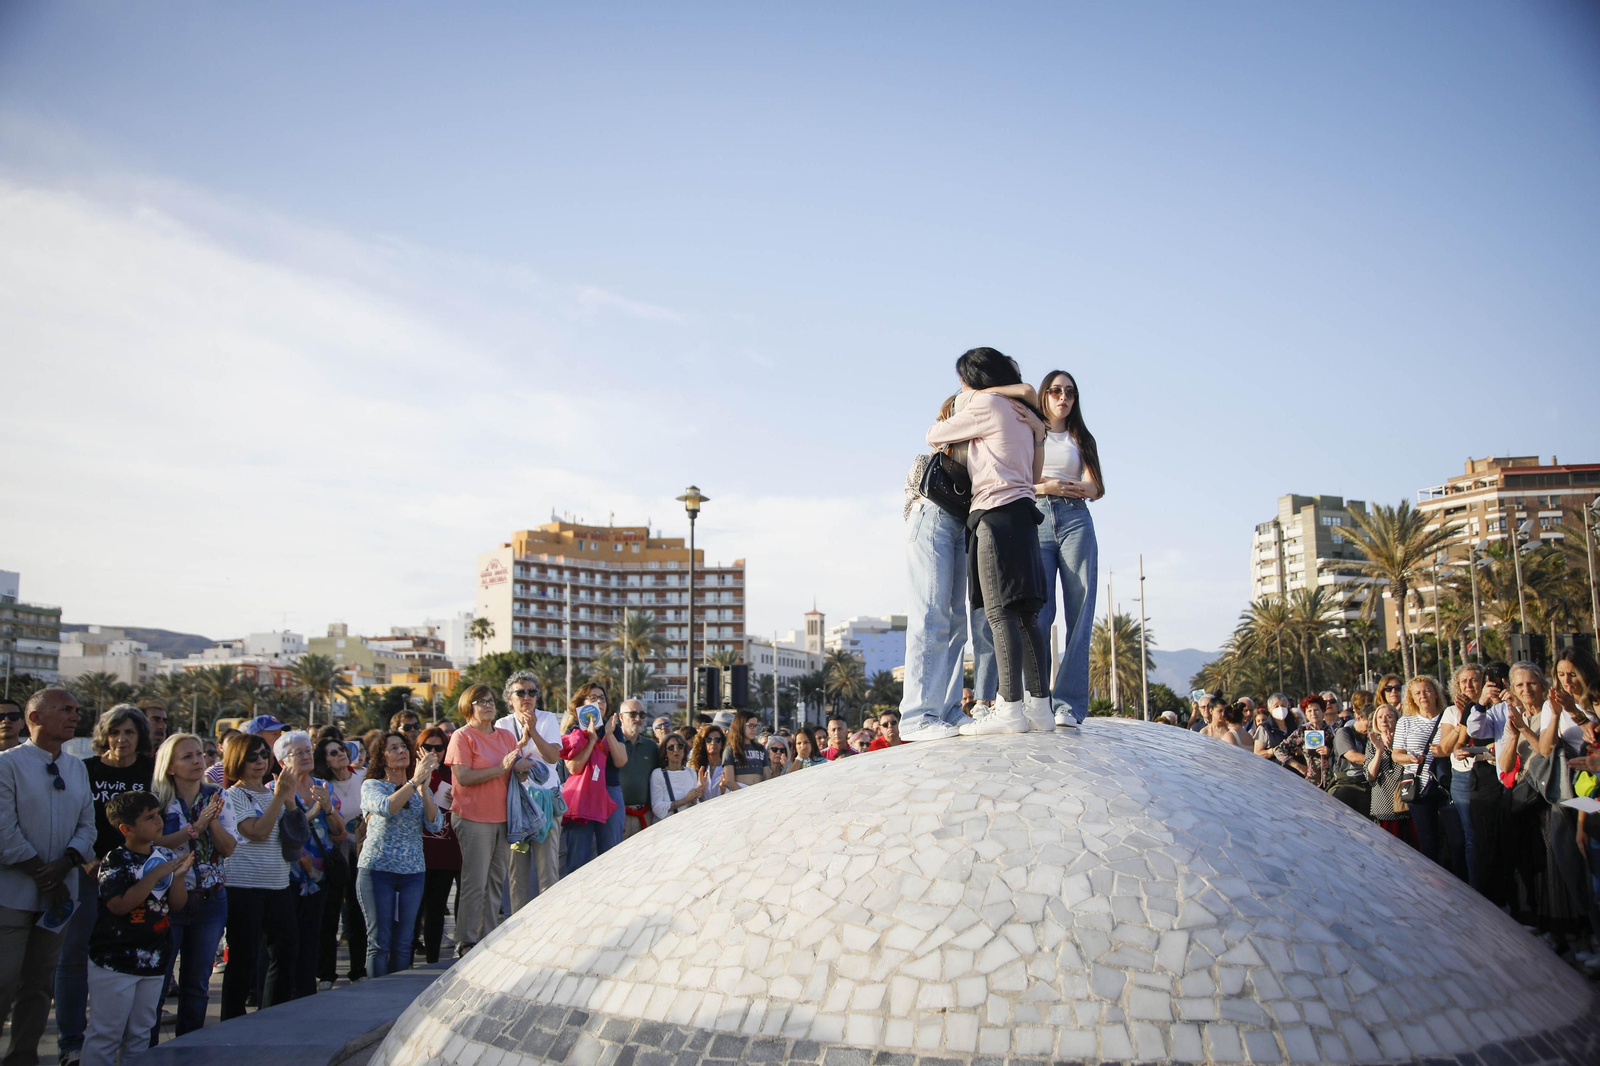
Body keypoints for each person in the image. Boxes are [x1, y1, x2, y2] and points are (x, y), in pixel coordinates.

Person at [925, 347, 1053, 735]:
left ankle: (1009, 709)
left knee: (999, 614)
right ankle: (1040, 709)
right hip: (1024, 514)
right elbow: (1033, 475)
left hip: (993, 515)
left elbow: (934, 435)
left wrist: (970, 399)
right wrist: (1038, 429)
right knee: (1027, 615)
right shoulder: (1024, 416)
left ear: (975, 380)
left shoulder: (986, 403)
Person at [0, 688, 94, 1066]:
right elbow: (5, 833)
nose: (74, 716)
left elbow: (88, 827)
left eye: (76, 709)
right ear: (35, 719)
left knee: (39, 987)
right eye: (65, 710)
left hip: (58, 896)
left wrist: (66, 864)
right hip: (12, 895)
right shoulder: (7, 765)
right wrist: (44, 874)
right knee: (3, 983)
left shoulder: (77, 768)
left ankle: (22, 1057)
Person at [56, 705, 154, 1065]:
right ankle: (71, 1042)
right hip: (87, 873)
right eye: (115, 732)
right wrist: (84, 859)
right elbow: (73, 818)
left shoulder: (150, 771)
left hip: (136, 877)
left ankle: (129, 1044)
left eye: (129, 732)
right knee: (74, 958)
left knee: (131, 958)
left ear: (140, 736)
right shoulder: (85, 770)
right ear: (104, 735)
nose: (122, 739)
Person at [82, 791, 190, 1066]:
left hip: (154, 959)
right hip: (115, 961)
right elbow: (118, 905)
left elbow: (177, 904)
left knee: (141, 1033)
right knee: (106, 1033)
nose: (158, 822)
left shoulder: (164, 854)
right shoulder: (115, 860)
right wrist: (154, 875)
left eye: (158, 815)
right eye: (149, 818)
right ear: (126, 829)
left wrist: (176, 877)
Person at [1498, 662, 1590, 947]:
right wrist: (1513, 734)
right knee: (1532, 863)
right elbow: (1504, 766)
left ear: (1543, 684)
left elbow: (1546, 749)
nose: (1527, 690)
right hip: (1526, 802)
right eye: (1520, 685)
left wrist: (1524, 729)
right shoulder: (1515, 717)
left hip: (1554, 798)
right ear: (1513, 690)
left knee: (1558, 864)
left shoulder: (1554, 714)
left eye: (1532, 683)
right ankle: (1544, 922)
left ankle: (1571, 929)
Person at [1032, 369, 1103, 728]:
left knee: (1081, 612)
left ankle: (1069, 706)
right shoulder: (1031, 433)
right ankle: (1039, 700)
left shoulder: (1080, 436)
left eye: (1070, 393)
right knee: (1040, 615)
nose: (1064, 398)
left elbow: (1094, 486)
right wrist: (1048, 486)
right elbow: (1020, 479)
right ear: (1044, 395)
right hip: (1037, 519)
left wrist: (1070, 487)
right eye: (1057, 391)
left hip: (1076, 519)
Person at [150, 734, 234, 1037]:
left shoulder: (217, 796)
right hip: (166, 900)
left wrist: (210, 822)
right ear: (170, 766)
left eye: (200, 754)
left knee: (197, 985)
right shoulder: (156, 801)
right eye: (188, 756)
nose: (198, 761)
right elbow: (150, 843)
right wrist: (195, 828)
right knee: (157, 984)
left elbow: (228, 848)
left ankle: (189, 1049)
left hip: (210, 899)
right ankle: (146, 1053)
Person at [219, 732, 297, 1019]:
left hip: (278, 882)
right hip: (244, 885)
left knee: (286, 952)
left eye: (264, 754)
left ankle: (273, 1014)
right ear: (237, 760)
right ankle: (232, 1018)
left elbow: (295, 834)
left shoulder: (275, 789)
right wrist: (279, 798)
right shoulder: (234, 795)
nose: (260, 761)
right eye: (252, 756)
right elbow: (256, 831)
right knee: (243, 957)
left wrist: (289, 801)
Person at [444, 685, 524, 957]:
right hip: (473, 817)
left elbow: (512, 772)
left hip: (503, 817)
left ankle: (488, 936)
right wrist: (499, 769)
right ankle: (466, 941)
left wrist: (523, 769)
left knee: (495, 882)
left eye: (491, 700)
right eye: (481, 701)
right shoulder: (462, 736)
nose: (488, 705)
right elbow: (463, 777)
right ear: (468, 706)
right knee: (474, 882)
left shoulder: (505, 736)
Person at [357, 731, 440, 977]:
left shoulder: (419, 786)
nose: (401, 751)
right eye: (393, 748)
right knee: (380, 943)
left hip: (413, 872)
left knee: (404, 944)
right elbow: (387, 807)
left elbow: (435, 825)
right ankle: (374, 1002)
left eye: (403, 747)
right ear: (381, 758)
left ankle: (396, 1003)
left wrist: (424, 790)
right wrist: (413, 782)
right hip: (377, 870)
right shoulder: (372, 786)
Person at [273, 730, 344, 999]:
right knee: (286, 942)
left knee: (312, 939)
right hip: (285, 877)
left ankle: (305, 994)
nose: (306, 756)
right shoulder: (274, 790)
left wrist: (327, 807)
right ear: (282, 762)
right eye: (298, 752)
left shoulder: (323, 786)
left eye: (307, 750)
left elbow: (339, 832)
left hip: (319, 878)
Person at [493, 673, 563, 908]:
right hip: (516, 804)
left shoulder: (548, 719)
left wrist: (532, 731)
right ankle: (518, 927)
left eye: (532, 692)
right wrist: (522, 741)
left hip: (546, 801)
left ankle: (550, 924)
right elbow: (503, 763)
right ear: (509, 699)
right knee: (517, 874)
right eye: (520, 693)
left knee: (548, 872)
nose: (527, 697)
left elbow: (553, 758)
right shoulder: (501, 725)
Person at [312, 732, 365, 987]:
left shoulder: (364, 778)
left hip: (362, 852)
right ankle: (326, 973)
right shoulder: (322, 786)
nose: (341, 754)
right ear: (325, 761)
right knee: (330, 913)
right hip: (335, 854)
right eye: (333, 753)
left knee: (358, 912)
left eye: (342, 749)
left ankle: (358, 969)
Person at [559, 688, 626, 874]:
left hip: (609, 792)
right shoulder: (573, 732)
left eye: (602, 698)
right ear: (581, 704)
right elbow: (574, 768)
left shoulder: (613, 728)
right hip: (583, 796)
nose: (599, 702)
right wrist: (590, 741)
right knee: (578, 858)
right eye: (593, 698)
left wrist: (609, 734)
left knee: (611, 855)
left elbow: (621, 761)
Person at [1392, 676, 1455, 870]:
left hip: (1447, 786)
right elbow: (1396, 755)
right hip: (1419, 787)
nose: (1423, 696)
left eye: (1427, 691)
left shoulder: (1449, 717)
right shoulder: (1406, 722)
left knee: (1455, 840)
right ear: (1411, 698)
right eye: (1417, 693)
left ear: (1436, 693)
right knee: (1428, 841)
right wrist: (1410, 758)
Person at [414, 725, 459, 965]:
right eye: (427, 747)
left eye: (439, 747)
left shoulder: (453, 771)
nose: (433, 751)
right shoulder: (411, 772)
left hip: (446, 848)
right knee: (413, 908)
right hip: (416, 850)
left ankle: (432, 958)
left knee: (436, 907)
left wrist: (460, 795)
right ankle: (406, 957)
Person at [1365, 704, 1411, 840]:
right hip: (1382, 805)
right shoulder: (1372, 743)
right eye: (1380, 717)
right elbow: (1370, 776)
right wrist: (1379, 750)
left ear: (1397, 720)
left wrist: (1393, 749)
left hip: (1404, 804)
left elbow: (1410, 765)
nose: (1384, 720)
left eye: (1389, 717)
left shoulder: (1405, 740)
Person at [615, 699, 660, 833]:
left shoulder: (651, 747)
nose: (638, 718)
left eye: (642, 715)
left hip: (644, 815)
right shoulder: (611, 743)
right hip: (617, 815)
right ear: (621, 717)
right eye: (633, 714)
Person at [1275, 695, 1335, 787]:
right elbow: (1279, 750)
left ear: (1323, 712)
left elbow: (1344, 753)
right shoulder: (1302, 732)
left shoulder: (1333, 731)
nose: (1313, 713)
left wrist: (1331, 752)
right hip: (1311, 783)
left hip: (1333, 782)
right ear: (1306, 714)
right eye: (1309, 711)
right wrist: (1299, 767)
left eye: (1316, 710)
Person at [1329, 701, 1373, 813]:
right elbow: (1352, 756)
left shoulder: (1370, 736)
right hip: (1346, 784)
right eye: (1368, 725)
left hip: (1365, 785)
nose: (1370, 729)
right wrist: (1378, 761)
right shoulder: (1344, 733)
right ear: (1359, 718)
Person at [649, 734, 702, 821]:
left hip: (687, 822)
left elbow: (694, 803)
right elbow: (657, 807)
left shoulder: (691, 773)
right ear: (665, 753)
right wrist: (684, 800)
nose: (676, 750)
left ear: (684, 751)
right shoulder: (658, 774)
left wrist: (695, 797)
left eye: (680, 746)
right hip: (667, 826)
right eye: (671, 747)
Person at [722, 710, 770, 790]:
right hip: (739, 793)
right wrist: (744, 795)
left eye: (756, 726)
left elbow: (767, 776)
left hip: (759, 792)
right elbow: (729, 781)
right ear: (740, 725)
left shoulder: (761, 749)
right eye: (750, 725)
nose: (754, 729)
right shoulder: (730, 750)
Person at [687, 725, 729, 800]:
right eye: (708, 740)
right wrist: (699, 790)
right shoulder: (695, 767)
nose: (713, 743)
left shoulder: (728, 767)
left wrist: (724, 790)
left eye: (717, 740)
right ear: (703, 743)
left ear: (722, 743)